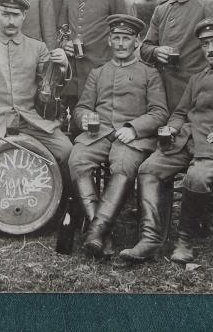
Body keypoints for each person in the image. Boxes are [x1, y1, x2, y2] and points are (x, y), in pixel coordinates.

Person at [119, 18, 213, 264]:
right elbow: (181, 112)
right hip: (187, 141)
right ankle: (149, 238)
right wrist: (171, 127)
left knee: (197, 177)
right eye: (205, 44)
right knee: (148, 169)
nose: (210, 49)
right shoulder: (197, 78)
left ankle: (185, 241)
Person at [68, 14, 168, 258]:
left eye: (127, 38)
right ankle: (100, 232)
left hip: (131, 137)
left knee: (122, 165)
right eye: (116, 38)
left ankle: (96, 232)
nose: (121, 43)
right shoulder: (98, 73)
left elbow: (159, 112)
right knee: (77, 159)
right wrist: (85, 118)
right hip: (98, 134)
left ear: (136, 41)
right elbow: (81, 108)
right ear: (109, 41)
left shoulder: (149, 73)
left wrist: (134, 127)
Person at [0, 0, 73, 190]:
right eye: (5, 14)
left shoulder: (38, 48)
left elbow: (50, 85)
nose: (10, 21)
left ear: (24, 16)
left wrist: (63, 65)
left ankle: (63, 209)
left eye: (15, 15)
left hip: (30, 120)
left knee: (66, 151)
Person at [58, 0, 133, 100]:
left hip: (103, 74)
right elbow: (62, 29)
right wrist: (65, 43)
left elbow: (128, 36)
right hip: (72, 74)